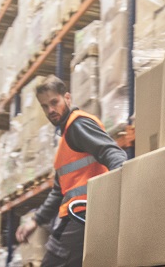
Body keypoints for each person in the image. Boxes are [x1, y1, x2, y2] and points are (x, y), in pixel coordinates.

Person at [16, 77, 126, 267]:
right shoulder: (66, 139)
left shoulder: (78, 125)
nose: (50, 110)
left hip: (84, 214)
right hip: (78, 215)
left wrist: (125, 192)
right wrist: (36, 220)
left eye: (54, 102)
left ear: (67, 98)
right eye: (45, 106)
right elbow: (59, 190)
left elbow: (112, 153)